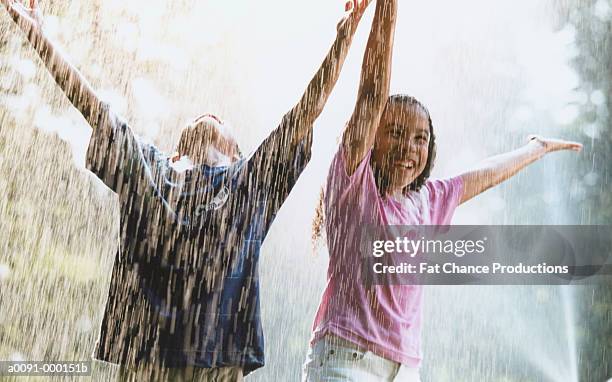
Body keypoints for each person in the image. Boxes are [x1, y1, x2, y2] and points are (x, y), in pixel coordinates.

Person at [1, 0, 373, 380]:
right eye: (201, 118)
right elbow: (93, 106)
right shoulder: (147, 168)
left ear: (237, 154)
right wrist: (39, 34)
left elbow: (305, 111)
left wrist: (342, 40)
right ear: (176, 150)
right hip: (145, 358)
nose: (212, 115)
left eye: (223, 122)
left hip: (214, 364)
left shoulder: (249, 183)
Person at [303, 0, 583, 381]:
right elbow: (371, 93)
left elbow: (483, 174)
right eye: (396, 133)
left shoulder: (425, 202)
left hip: (405, 369)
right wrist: (387, 9)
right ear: (371, 139)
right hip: (345, 359)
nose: (409, 148)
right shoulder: (354, 185)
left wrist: (535, 149)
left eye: (421, 138)